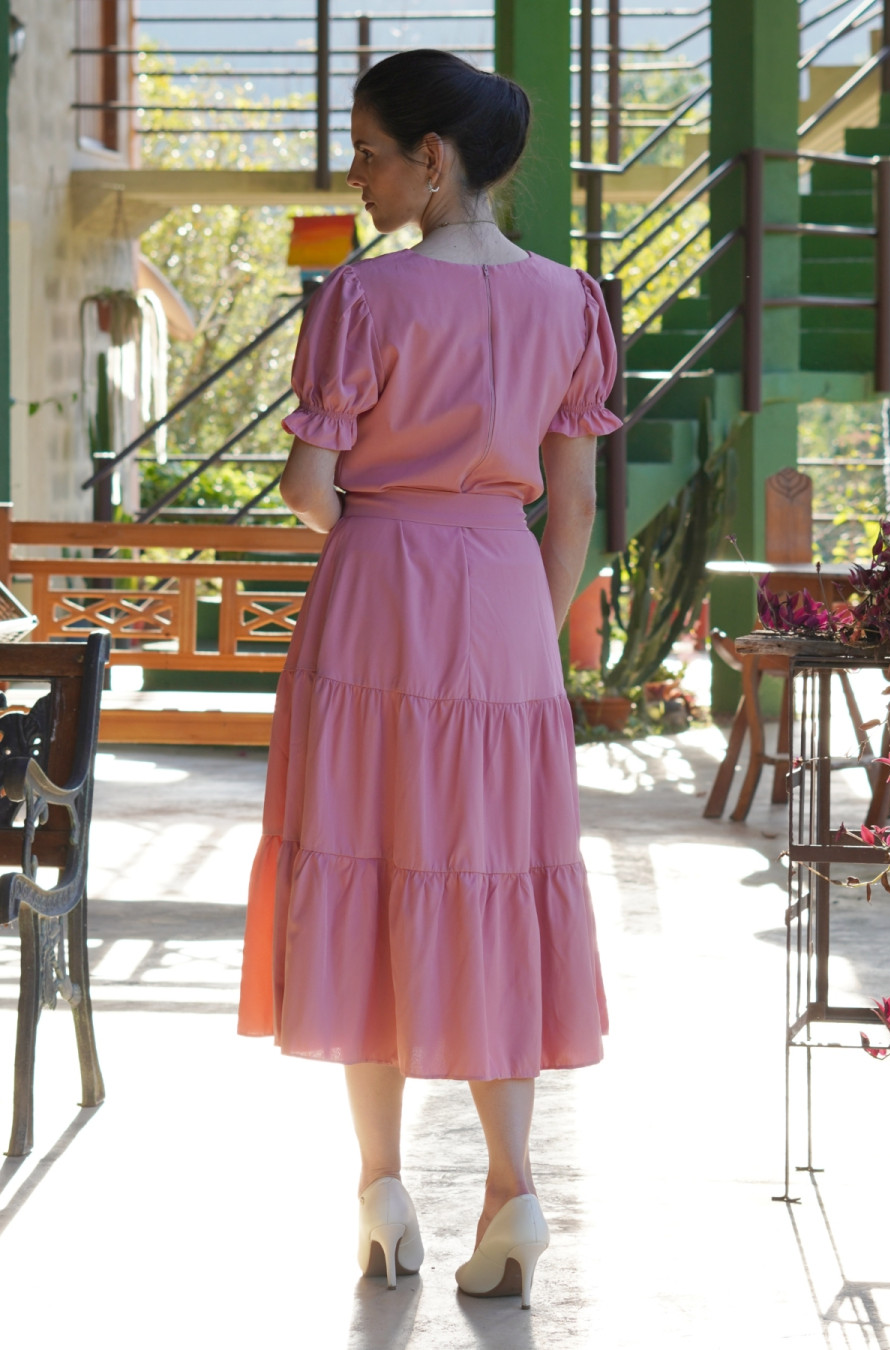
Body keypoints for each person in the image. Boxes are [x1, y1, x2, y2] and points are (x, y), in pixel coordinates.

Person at [238, 48, 619, 1311]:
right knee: (492, 876)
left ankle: (383, 1192)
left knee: (370, 868)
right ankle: (513, 1189)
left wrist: (380, 523)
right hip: (506, 609)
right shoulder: (571, 302)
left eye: (368, 154)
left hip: (375, 608)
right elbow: (573, 508)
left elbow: (310, 490)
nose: (356, 178)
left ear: (433, 159)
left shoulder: (363, 297)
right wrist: (524, 642)